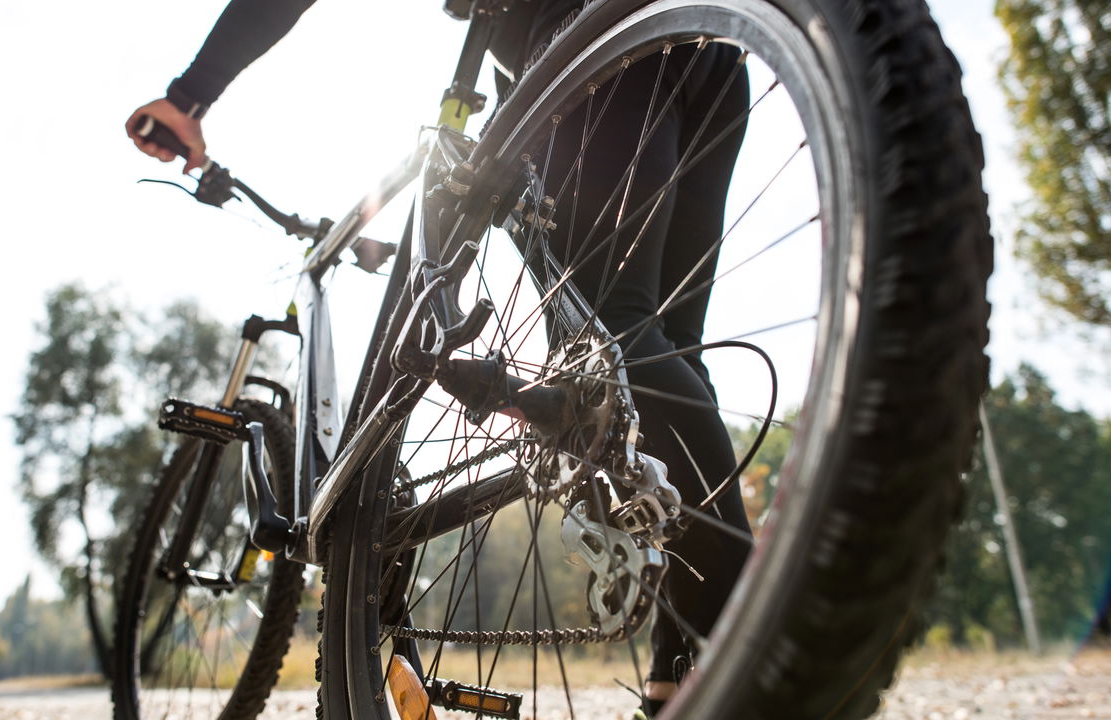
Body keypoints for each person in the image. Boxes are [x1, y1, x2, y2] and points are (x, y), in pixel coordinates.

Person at [125, 2, 752, 717]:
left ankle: (757, 652)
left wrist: (189, 96)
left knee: (614, 337)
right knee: (659, 350)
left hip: (587, 40)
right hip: (706, 50)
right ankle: (687, 665)